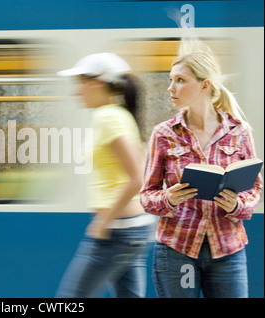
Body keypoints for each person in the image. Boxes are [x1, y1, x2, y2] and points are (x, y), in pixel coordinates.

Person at [140, 42, 263, 298]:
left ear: (204, 85)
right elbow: (146, 195)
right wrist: (168, 198)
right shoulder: (163, 134)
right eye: (171, 80)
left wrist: (236, 205)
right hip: (176, 250)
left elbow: (255, 189)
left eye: (180, 80)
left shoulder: (239, 131)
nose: (170, 88)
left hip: (227, 249)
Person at [55, 53, 155, 298]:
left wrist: (102, 221)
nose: (76, 92)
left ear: (96, 83)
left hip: (118, 231)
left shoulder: (108, 117)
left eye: (80, 84)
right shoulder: (117, 115)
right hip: (132, 229)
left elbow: (138, 177)